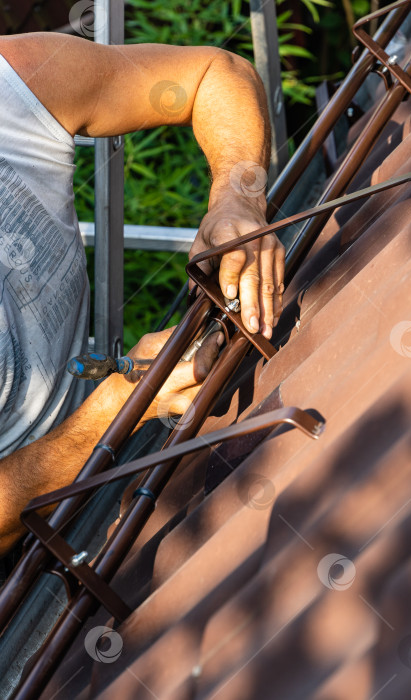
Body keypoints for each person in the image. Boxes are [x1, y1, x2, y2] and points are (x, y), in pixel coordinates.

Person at [0, 31, 285, 556]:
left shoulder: (16, 80)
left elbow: (212, 74)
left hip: (123, 428)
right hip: (29, 565)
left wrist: (235, 198)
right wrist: (116, 408)